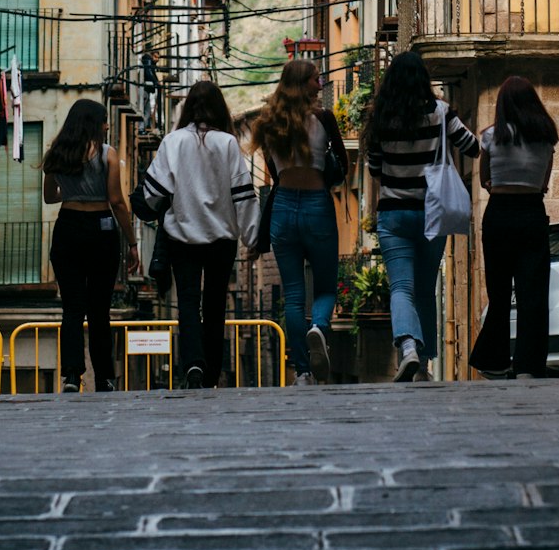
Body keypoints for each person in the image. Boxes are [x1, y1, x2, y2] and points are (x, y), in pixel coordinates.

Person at [363, 51, 479, 382]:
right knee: (427, 289)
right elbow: (471, 147)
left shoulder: (381, 118)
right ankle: (425, 366)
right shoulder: (441, 113)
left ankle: (408, 347)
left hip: (394, 215)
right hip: (432, 214)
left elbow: (374, 168)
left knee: (402, 287)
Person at [142, 80, 259, 388]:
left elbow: (154, 194)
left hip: (182, 238)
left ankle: (193, 364)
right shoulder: (228, 143)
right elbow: (244, 196)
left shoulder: (173, 141)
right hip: (222, 241)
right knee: (216, 305)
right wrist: (252, 237)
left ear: (188, 108)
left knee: (189, 304)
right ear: (219, 108)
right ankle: (211, 373)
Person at [251, 59, 348, 386]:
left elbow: (273, 172)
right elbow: (343, 166)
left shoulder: (268, 123)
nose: (320, 85)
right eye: (315, 79)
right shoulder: (323, 118)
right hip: (316, 205)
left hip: (283, 207)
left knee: (292, 295)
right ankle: (319, 327)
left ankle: (303, 372)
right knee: (324, 285)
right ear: (302, 83)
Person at [42, 100, 140, 393]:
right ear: (93, 123)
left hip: (68, 227)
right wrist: (132, 242)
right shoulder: (108, 154)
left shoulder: (56, 154)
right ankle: (104, 378)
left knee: (72, 308)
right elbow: (117, 201)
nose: (107, 126)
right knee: (100, 310)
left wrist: (73, 190)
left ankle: (72, 375)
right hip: (101, 230)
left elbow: (50, 197)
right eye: (104, 121)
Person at [469, 75, 559, 381]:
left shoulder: (491, 136)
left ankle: (494, 358)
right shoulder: (546, 138)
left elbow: (484, 180)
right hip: (532, 212)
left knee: (499, 291)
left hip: (499, 214)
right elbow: (544, 182)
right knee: (532, 294)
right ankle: (529, 365)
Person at [140, 49, 161, 134]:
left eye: (158, 57)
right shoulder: (147, 60)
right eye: (155, 57)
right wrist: (156, 83)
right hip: (144, 90)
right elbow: (148, 73)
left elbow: (152, 74)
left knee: (147, 111)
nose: (157, 59)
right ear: (152, 55)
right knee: (143, 110)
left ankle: (144, 128)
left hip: (147, 91)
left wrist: (157, 82)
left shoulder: (151, 66)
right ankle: (141, 129)